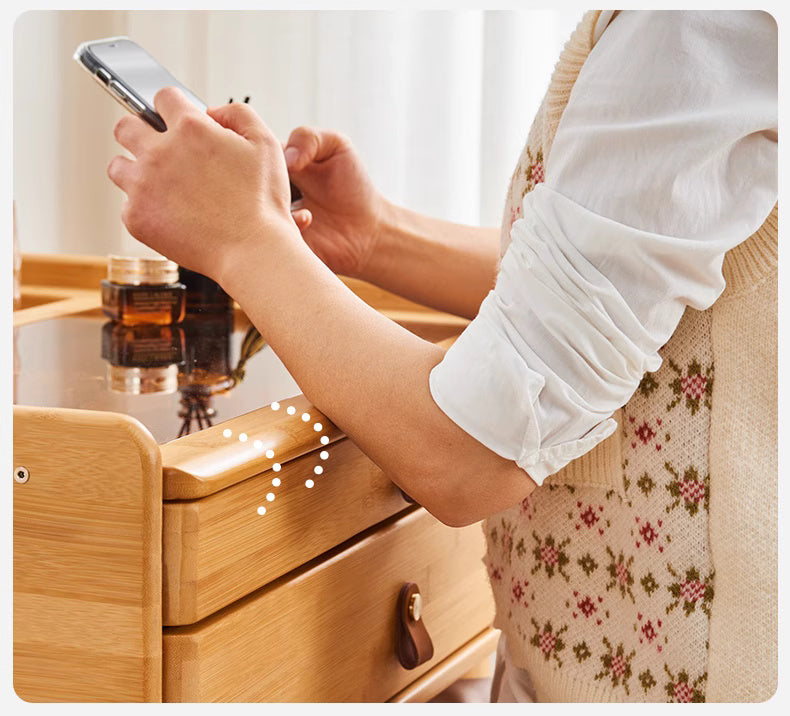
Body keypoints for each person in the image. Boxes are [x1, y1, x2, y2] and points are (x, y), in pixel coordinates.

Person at [107, 10, 777, 702]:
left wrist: (244, 239)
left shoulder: (687, 25)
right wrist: (378, 237)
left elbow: (468, 456)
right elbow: (604, 290)